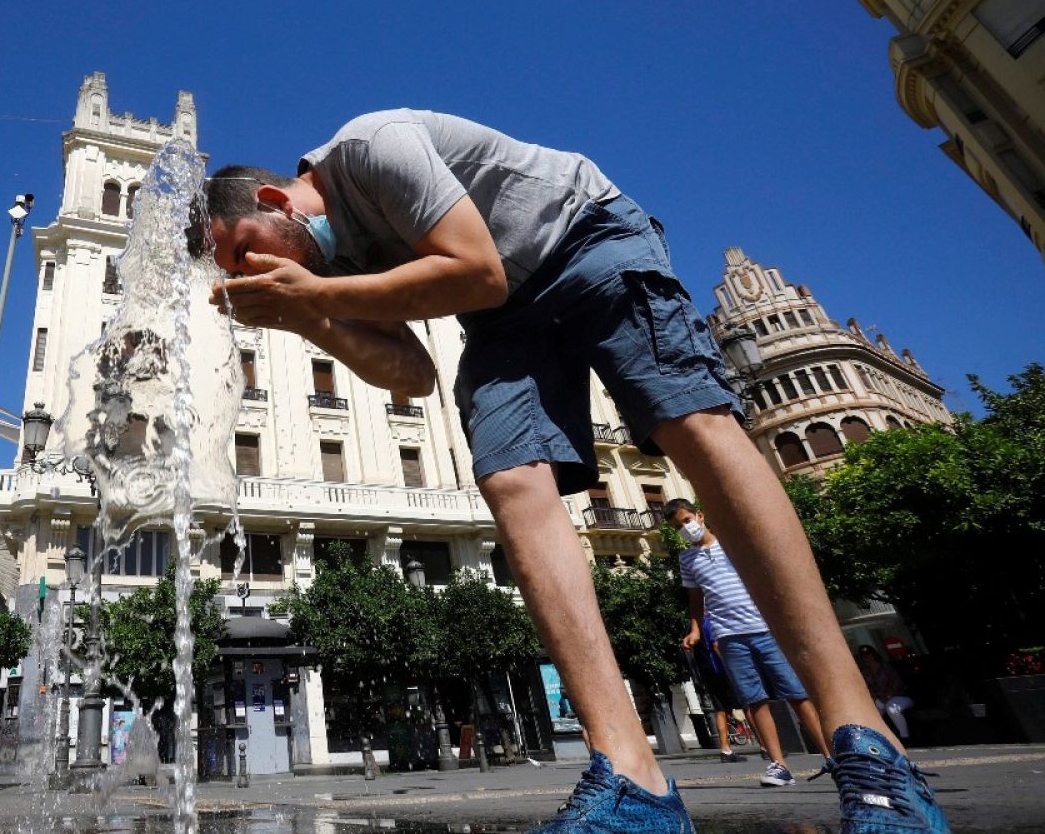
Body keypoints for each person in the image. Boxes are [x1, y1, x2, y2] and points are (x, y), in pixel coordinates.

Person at [203, 112, 950, 833]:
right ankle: (633, 777)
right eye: (239, 273)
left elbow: (476, 267)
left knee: (689, 420)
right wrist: (310, 319)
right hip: (501, 314)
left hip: (585, 236)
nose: (253, 273)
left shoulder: (371, 145)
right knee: (507, 475)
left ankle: (868, 745)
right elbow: (411, 373)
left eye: (244, 251)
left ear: (274, 202)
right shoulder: (337, 264)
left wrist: (317, 297)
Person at [672, 499, 829, 786]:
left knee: (796, 694)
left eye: (686, 520)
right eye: (678, 527)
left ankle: (832, 757)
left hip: (764, 628)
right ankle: (779, 765)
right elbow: (695, 599)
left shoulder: (731, 545)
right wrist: (696, 629)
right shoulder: (687, 560)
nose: (685, 529)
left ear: (700, 515)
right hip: (728, 635)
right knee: (753, 700)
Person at [685, 618, 748, 763]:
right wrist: (730, 665)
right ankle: (765, 746)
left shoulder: (693, 627)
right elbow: (716, 645)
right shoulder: (708, 622)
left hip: (707, 673)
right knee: (748, 706)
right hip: (721, 671)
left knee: (720, 710)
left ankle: (725, 749)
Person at [859, 646, 915, 741]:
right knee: (873, 712)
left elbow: (896, 683)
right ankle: (881, 739)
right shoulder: (865, 672)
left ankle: (905, 737)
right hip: (879, 699)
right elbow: (866, 687)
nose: (867, 658)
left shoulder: (885, 667)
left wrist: (887, 695)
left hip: (898, 696)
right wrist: (873, 696)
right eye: (864, 656)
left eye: (869, 655)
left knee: (891, 707)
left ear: (874, 655)